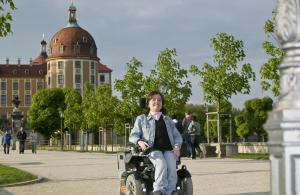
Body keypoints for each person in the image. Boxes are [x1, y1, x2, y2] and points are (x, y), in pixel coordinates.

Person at [129, 91, 182, 195]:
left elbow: (177, 136)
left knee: (172, 166)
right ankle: (159, 190)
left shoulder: (168, 120)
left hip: (168, 149)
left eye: (159, 100)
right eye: (154, 99)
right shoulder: (141, 119)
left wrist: (177, 146)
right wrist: (139, 142)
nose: (157, 102)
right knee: (161, 164)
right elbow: (133, 135)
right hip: (152, 149)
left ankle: (170, 191)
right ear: (148, 103)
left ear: (162, 104)